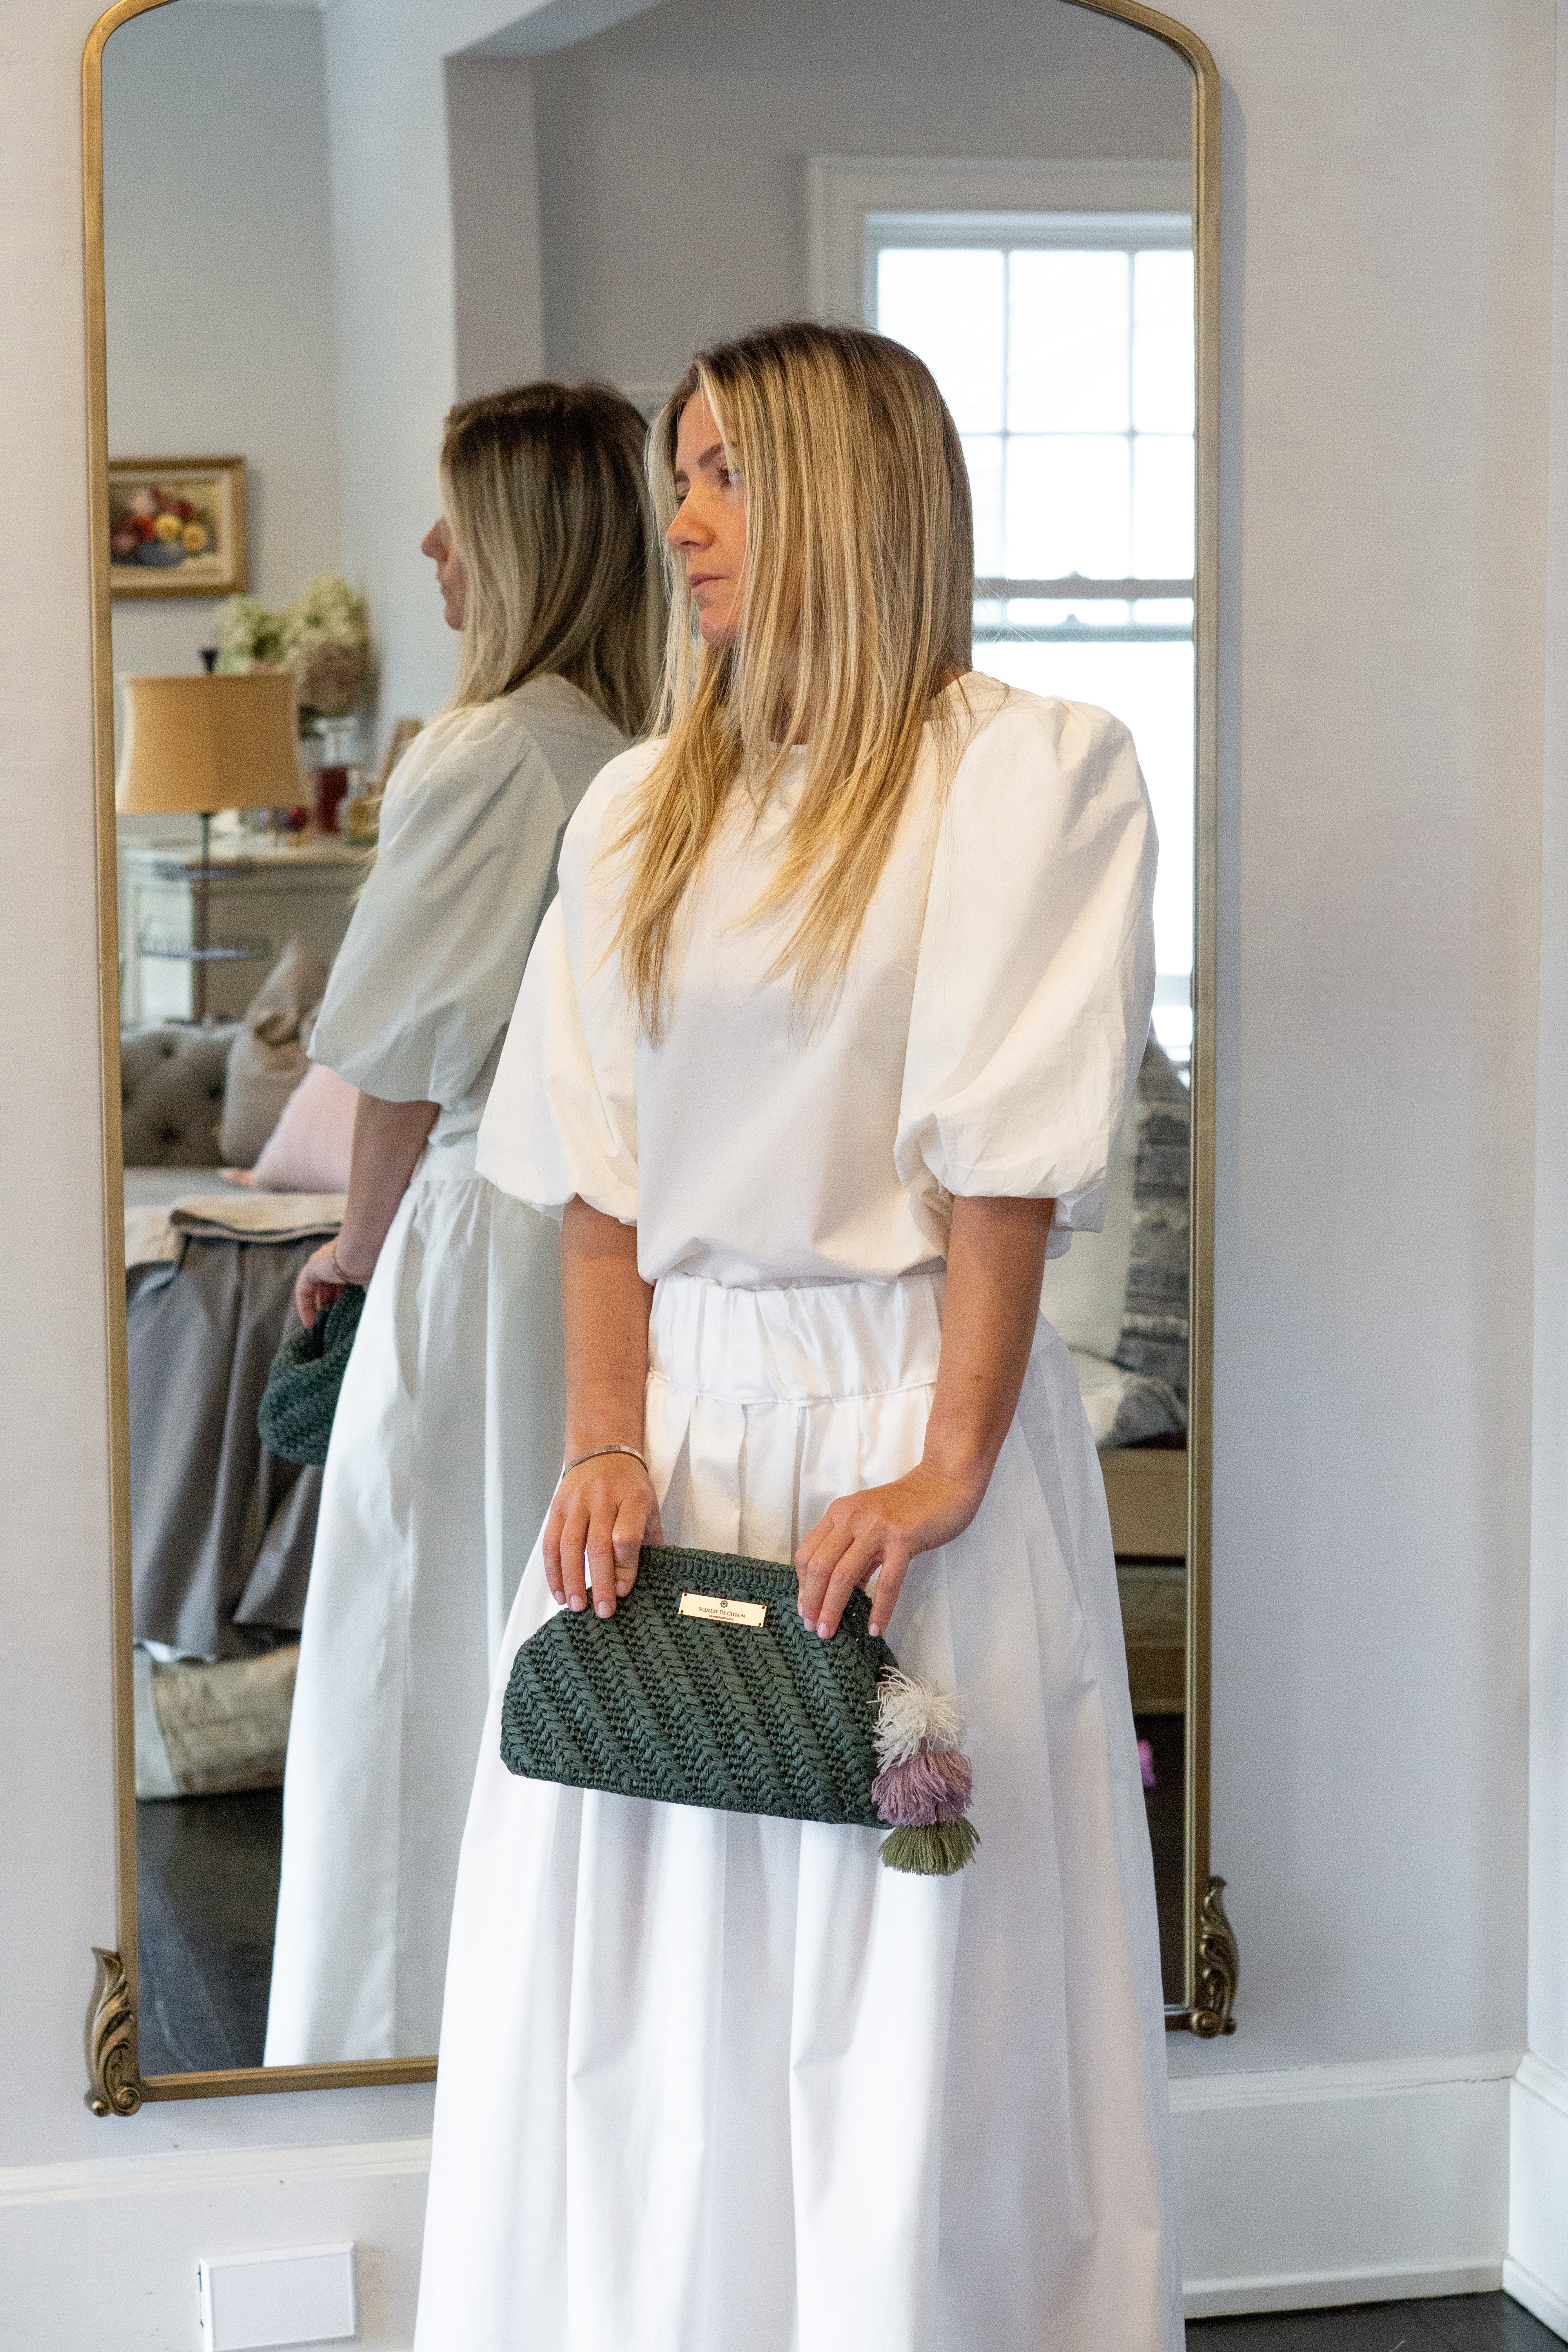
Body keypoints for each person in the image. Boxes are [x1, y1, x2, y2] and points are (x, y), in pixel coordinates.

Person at [414, 323, 1180, 2349]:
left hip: (903, 1443)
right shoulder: (646, 807)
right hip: (675, 1446)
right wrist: (600, 1445)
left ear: (855, 492)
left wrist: (942, 1465)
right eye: (683, 471)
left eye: (730, 470)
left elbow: (1003, 1173)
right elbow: (601, 1196)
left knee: (909, 2022)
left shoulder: (1028, 774)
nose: (682, 517)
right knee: (638, 2020)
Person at [263, 381, 662, 2067]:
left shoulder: (491, 751)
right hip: (584, 1249)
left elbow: (399, 1061)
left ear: (526, 541)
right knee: (530, 1636)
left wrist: (351, 1255)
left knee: (406, 1648)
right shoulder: (619, 749)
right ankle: (535, 2041)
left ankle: (381, 2039)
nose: (429, 546)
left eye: (457, 514)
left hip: (478, 1238)